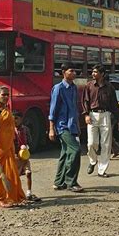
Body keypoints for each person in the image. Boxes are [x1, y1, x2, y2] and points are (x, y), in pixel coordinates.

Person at [0, 86, 26, 208]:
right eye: (3, 95)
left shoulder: (7, 110)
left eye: (7, 95)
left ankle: (13, 196)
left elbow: (10, 129)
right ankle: (0, 198)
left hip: (8, 147)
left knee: (12, 173)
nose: (6, 97)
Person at [48, 62, 83, 192]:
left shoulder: (74, 88)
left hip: (72, 125)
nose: (74, 73)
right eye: (71, 71)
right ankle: (71, 181)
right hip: (62, 126)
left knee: (65, 153)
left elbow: (74, 109)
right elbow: (53, 110)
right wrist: (51, 128)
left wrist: (78, 126)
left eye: (75, 71)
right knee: (75, 150)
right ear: (64, 72)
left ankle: (59, 182)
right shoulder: (58, 88)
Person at [81, 64, 119, 178]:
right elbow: (85, 101)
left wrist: (118, 120)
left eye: (95, 72)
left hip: (105, 115)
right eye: (93, 72)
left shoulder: (109, 87)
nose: (93, 74)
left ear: (102, 74)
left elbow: (114, 104)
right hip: (92, 115)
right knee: (91, 143)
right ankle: (93, 161)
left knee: (106, 144)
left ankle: (102, 170)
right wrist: (86, 115)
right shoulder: (89, 86)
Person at [12, 111, 41, 202]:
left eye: (16, 118)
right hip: (15, 157)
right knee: (15, 176)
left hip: (24, 157)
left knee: (28, 173)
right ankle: (16, 193)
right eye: (13, 119)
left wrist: (27, 147)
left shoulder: (25, 129)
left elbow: (30, 141)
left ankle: (29, 192)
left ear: (21, 119)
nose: (15, 121)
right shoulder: (11, 130)